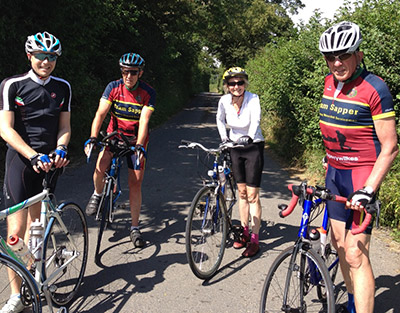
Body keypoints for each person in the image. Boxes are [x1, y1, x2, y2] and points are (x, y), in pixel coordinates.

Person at [318, 21, 398, 313]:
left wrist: (369, 189)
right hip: (335, 173)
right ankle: (352, 304)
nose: (336, 62)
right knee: (340, 245)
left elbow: (389, 146)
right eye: (330, 57)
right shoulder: (329, 82)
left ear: (358, 55)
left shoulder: (374, 88)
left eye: (344, 55)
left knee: (355, 254)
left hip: (362, 177)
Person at [0, 31, 71, 313]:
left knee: (36, 229)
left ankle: (34, 278)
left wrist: (62, 148)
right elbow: (5, 129)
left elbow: (64, 126)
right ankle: (17, 295)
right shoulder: (12, 85)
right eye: (41, 55)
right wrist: (32, 155)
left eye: (52, 56)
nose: (46, 61)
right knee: (15, 233)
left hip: (50, 163)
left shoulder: (63, 87)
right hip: (21, 161)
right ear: (30, 56)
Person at [84, 52, 155, 249]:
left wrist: (139, 145)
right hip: (114, 135)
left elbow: (144, 121)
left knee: (136, 182)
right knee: (100, 167)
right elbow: (100, 113)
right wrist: (93, 137)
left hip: (135, 139)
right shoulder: (113, 87)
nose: (128, 76)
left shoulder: (148, 93)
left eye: (133, 72)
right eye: (125, 71)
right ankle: (98, 193)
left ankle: (134, 227)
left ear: (140, 73)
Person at [216, 67, 265, 258]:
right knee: (242, 192)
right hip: (234, 147)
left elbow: (256, 120)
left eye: (240, 82)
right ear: (227, 86)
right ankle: (244, 232)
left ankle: (254, 239)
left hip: (253, 147)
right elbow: (220, 120)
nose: (236, 86)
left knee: (252, 195)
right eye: (232, 83)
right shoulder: (223, 101)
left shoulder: (253, 99)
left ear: (245, 83)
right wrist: (224, 138)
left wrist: (250, 137)